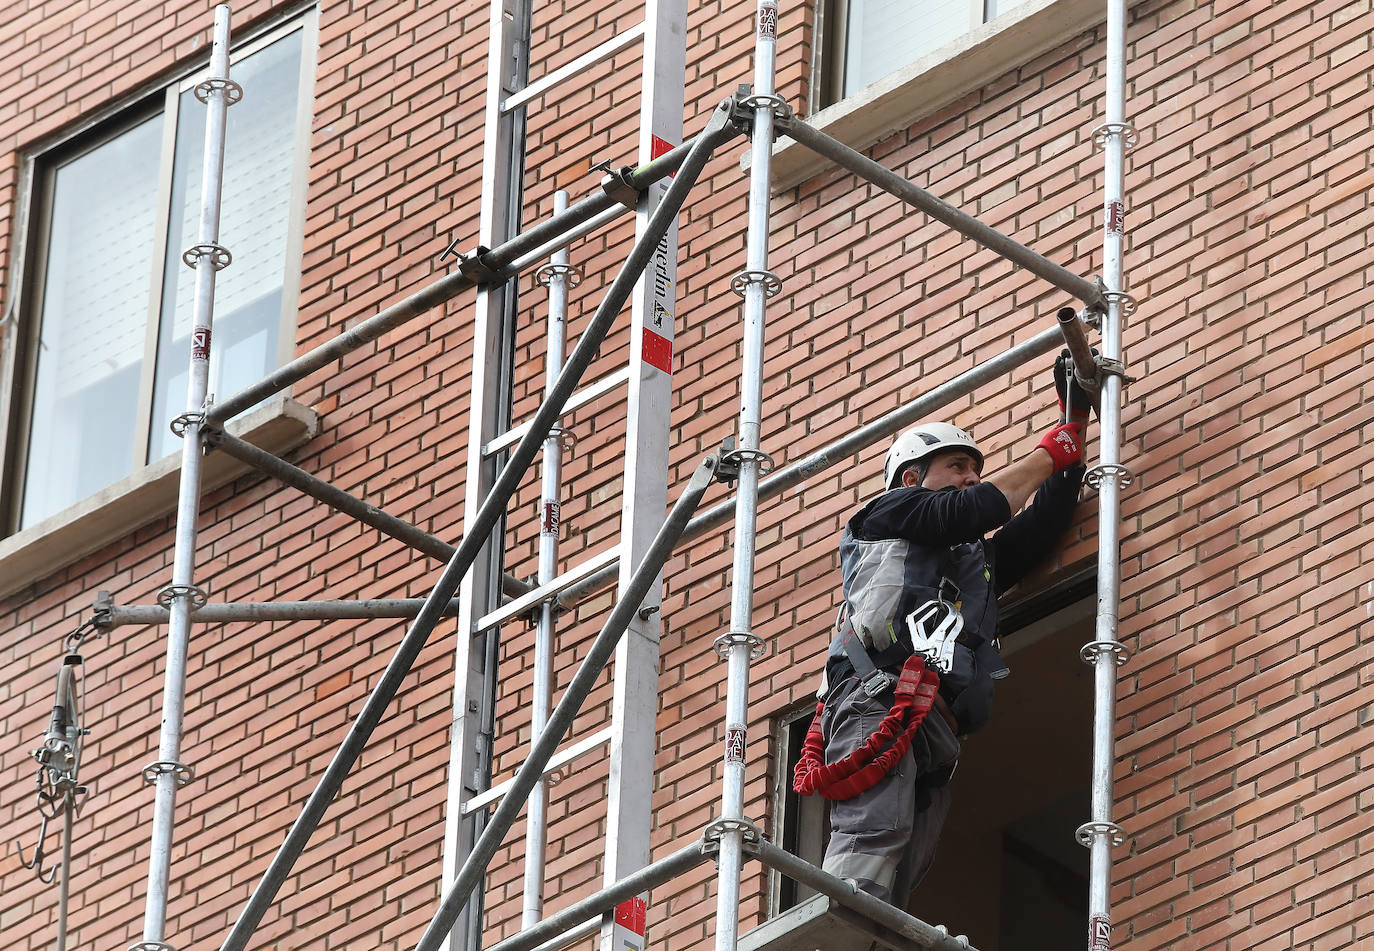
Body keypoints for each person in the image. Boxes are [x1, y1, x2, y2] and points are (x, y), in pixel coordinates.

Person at [803, 359, 1092, 909]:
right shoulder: (888, 515)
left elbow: (1041, 521)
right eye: (957, 466)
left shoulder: (971, 559)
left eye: (973, 470)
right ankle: (837, 929)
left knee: (912, 855)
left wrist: (1074, 423)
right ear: (911, 477)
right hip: (877, 698)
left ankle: (873, 936)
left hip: (935, 724)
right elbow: (972, 509)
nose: (970, 478)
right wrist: (1051, 447)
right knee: (875, 828)